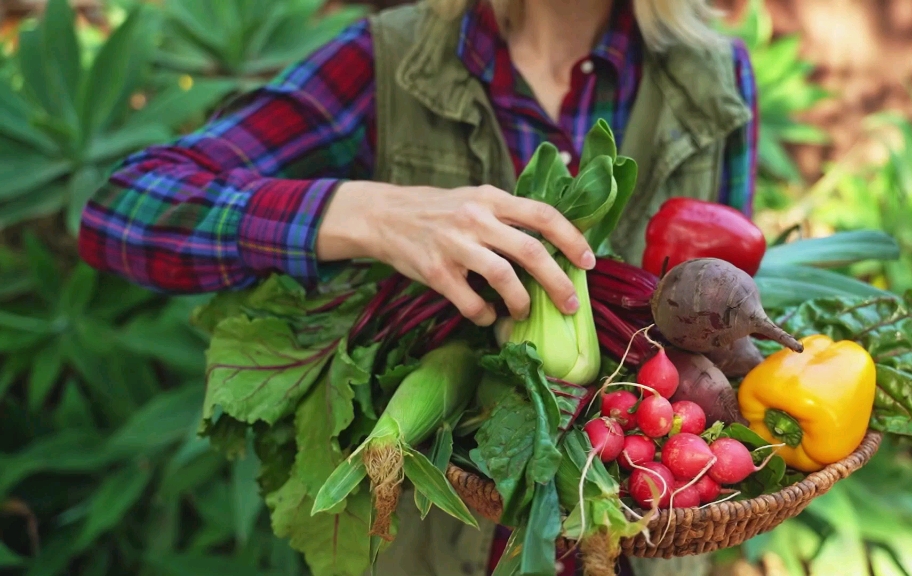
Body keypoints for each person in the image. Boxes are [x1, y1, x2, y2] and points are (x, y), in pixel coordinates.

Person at [77, 0, 759, 572]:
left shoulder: (713, 77)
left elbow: (724, 332)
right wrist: (364, 213)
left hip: (639, 537)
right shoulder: (388, 61)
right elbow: (124, 214)